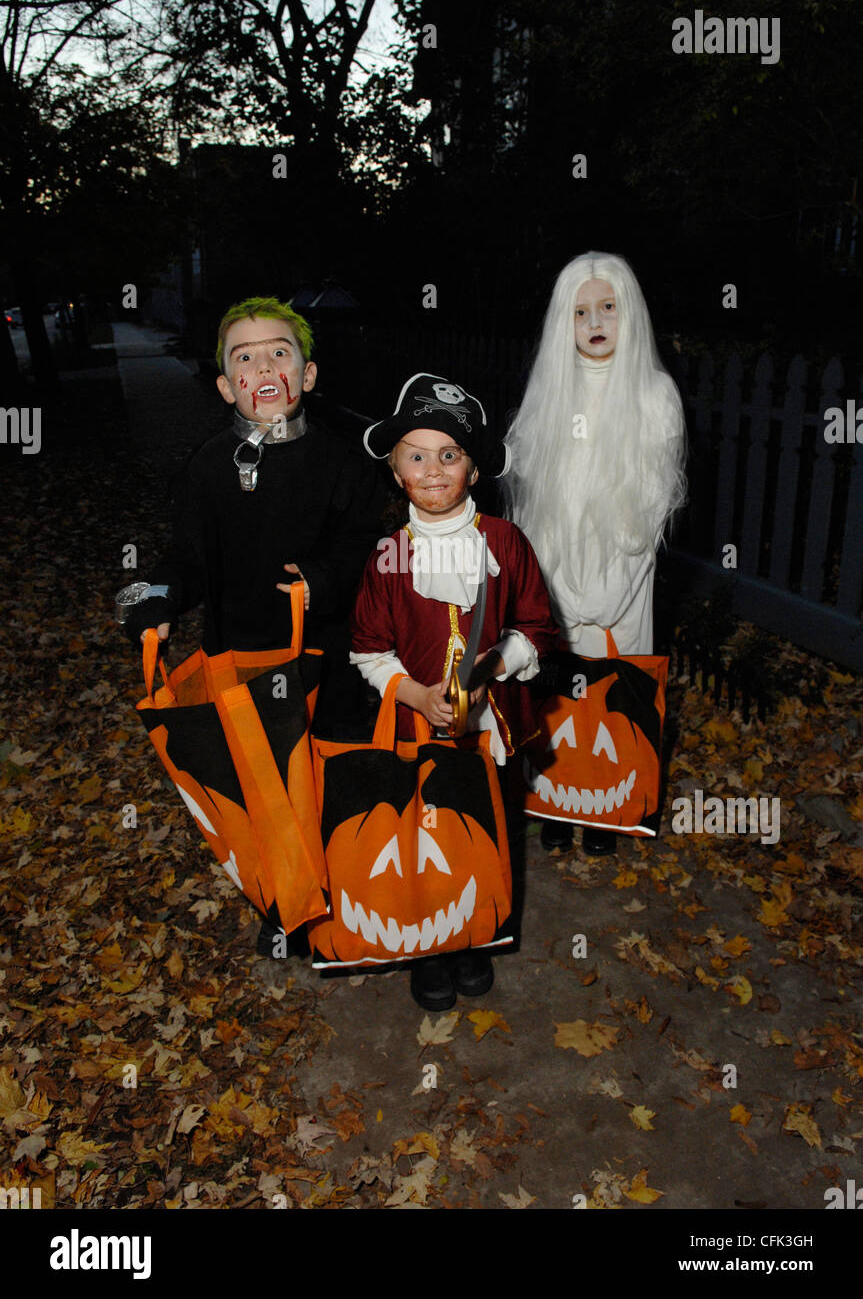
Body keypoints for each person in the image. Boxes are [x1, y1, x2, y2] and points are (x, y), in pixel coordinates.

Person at [122, 295, 387, 947]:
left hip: (329, 657)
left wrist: (321, 579)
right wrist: (152, 598)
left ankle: (344, 908)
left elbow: (365, 546)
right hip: (243, 657)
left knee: (327, 783)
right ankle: (287, 905)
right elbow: (184, 558)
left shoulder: (345, 462)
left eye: (279, 352)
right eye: (245, 357)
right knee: (266, 793)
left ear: (309, 373)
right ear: (224, 384)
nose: (263, 365)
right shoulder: (209, 468)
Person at [351, 374, 559, 1010]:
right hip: (417, 734)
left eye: (451, 455)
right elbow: (367, 650)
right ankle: (431, 947)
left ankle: (474, 937)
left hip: (488, 732)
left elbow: (538, 627)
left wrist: (493, 666)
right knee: (426, 840)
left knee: (483, 831)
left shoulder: (505, 544)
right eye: (417, 455)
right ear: (395, 470)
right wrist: (414, 695)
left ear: (473, 469)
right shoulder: (389, 556)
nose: (434, 470)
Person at [503, 252, 686, 856]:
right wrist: (552, 597)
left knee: (612, 697)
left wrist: (601, 599)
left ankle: (607, 813)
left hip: (620, 586)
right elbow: (530, 508)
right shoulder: (549, 391)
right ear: (564, 321)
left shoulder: (656, 396)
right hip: (555, 582)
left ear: (629, 313)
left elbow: (648, 513)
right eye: (580, 311)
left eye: (608, 307)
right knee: (556, 698)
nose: (595, 321)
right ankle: (554, 806)